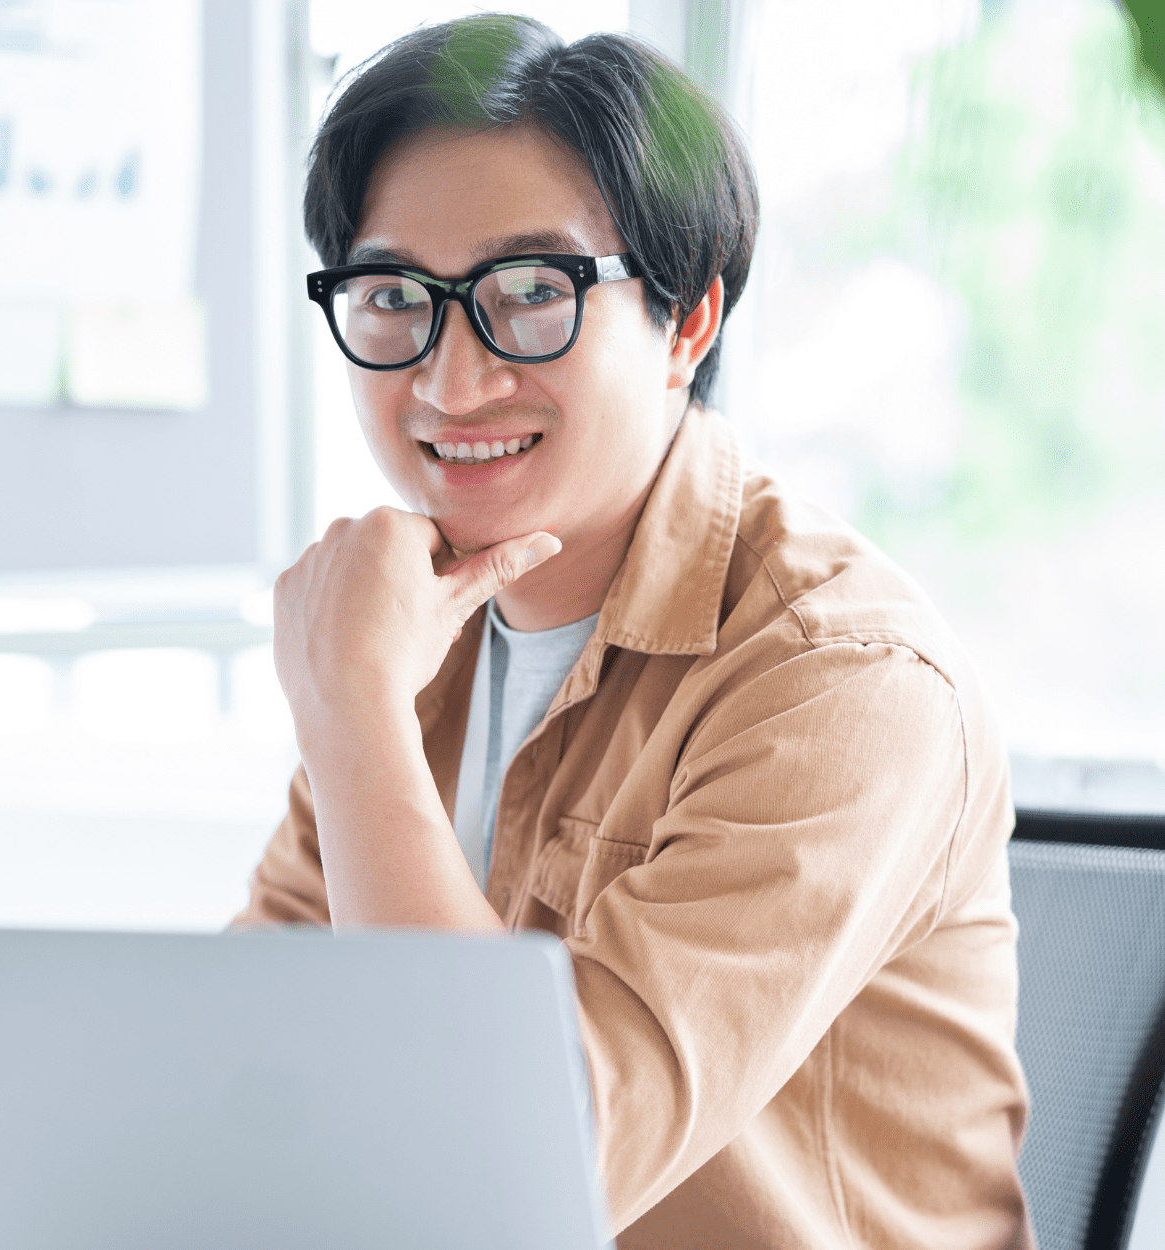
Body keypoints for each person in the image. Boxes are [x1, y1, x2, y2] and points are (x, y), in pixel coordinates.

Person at [235, 13, 1034, 1248]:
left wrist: (348, 716)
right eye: (394, 296)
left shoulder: (843, 684)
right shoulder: (402, 641)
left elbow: (504, 1181)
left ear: (688, 321)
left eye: (530, 293)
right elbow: (239, 1068)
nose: (450, 382)